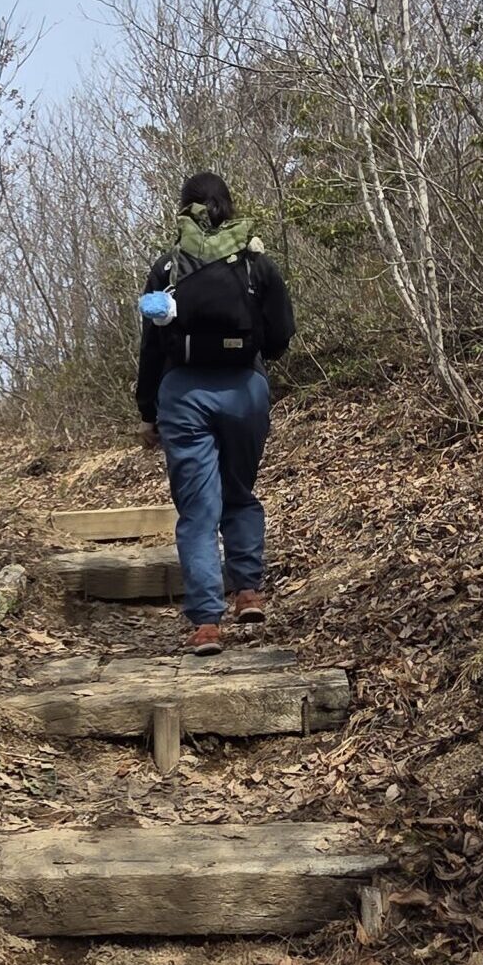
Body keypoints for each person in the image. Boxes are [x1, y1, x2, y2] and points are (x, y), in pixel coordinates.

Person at [136, 173, 295, 655]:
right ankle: (248, 591)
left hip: (183, 394)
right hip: (245, 391)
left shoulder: (167, 267)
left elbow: (151, 348)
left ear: (184, 210)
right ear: (228, 206)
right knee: (239, 494)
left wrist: (148, 412)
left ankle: (207, 622)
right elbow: (281, 336)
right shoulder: (255, 264)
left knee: (198, 511)